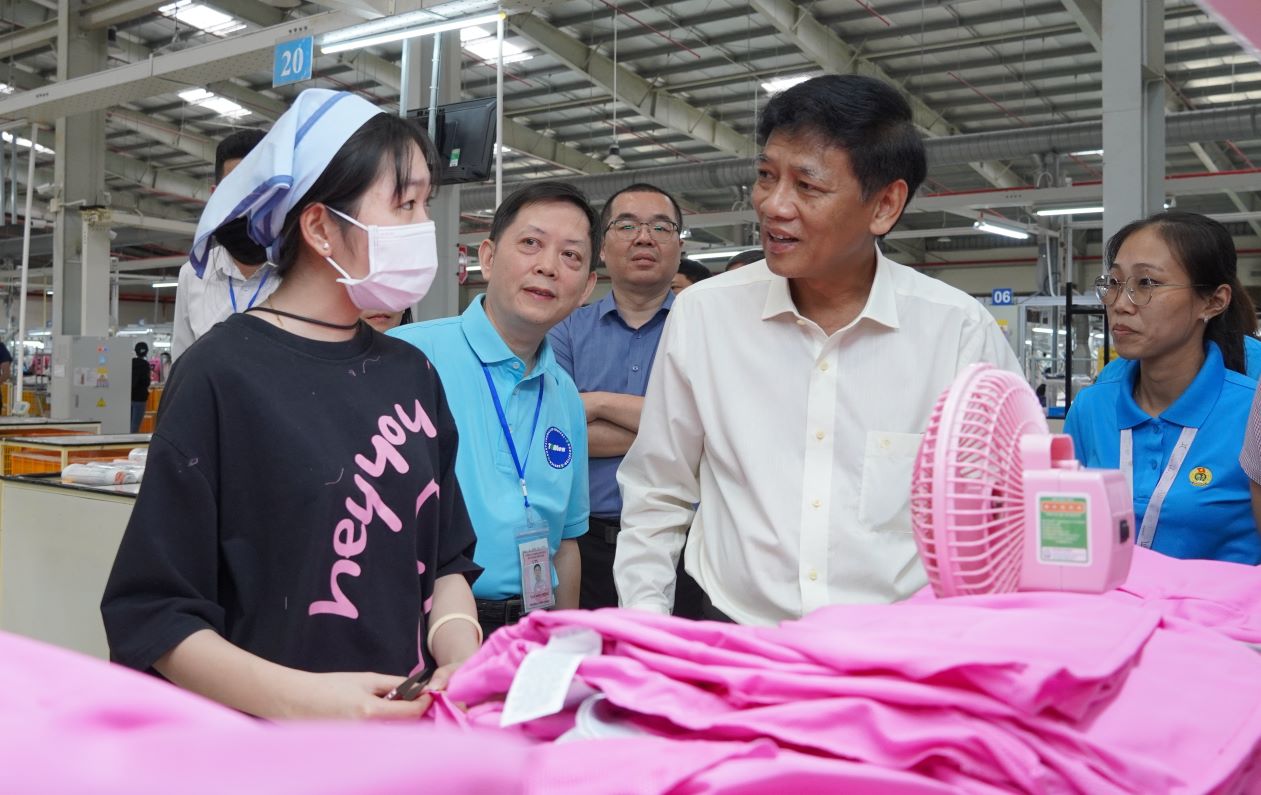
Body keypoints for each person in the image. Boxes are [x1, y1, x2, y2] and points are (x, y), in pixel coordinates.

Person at [102, 89, 482, 720]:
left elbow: (445, 560)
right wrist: (306, 702)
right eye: (404, 204)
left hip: (404, 734)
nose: (424, 228)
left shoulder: (412, 374)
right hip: (267, 747)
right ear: (321, 227)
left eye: (425, 205)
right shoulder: (221, 376)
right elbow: (155, 614)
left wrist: (460, 652)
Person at [613, 75, 1021, 625]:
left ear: (884, 205)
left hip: (896, 645)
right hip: (738, 633)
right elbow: (657, 491)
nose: (773, 205)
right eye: (766, 176)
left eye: (807, 186)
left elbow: (1004, 514)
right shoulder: (705, 316)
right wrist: (646, 624)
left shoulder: (957, 333)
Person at [390, 182, 595, 636]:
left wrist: (563, 644)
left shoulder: (564, 393)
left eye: (571, 255)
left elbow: (566, 544)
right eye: (531, 243)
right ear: (487, 257)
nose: (547, 266)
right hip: (425, 624)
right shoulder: (408, 358)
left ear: (586, 288)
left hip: (532, 625)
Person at [1066, 211, 1260, 565]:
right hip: (1106, 600)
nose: (1120, 304)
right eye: (1114, 283)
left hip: (1219, 602)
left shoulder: (1250, 414)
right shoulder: (1091, 408)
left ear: (1213, 301)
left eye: (1147, 283)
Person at [548, 182, 704, 617]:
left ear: (679, 246)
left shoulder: (706, 331)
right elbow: (555, 433)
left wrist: (596, 403)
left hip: (686, 548)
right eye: (628, 225)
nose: (644, 237)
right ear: (601, 247)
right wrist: (681, 432)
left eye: (661, 227)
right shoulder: (563, 330)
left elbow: (714, 428)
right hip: (585, 547)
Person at [171, 129, 280, 361]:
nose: (247, 200)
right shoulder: (193, 275)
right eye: (235, 188)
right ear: (215, 195)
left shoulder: (302, 270)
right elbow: (183, 362)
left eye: (257, 187)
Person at [130, 342, 150, 433]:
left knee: (128, 423)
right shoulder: (145, 364)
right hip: (140, 398)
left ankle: (126, 439)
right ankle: (132, 440)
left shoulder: (130, 363)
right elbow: (146, 382)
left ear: (136, 351)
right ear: (146, 352)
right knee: (136, 424)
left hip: (129, 396)